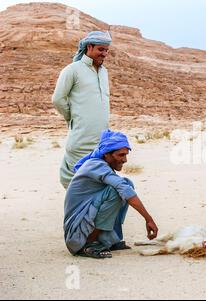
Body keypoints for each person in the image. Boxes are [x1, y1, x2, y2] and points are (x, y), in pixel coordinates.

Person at [64, 130, 158, 259]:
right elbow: (124, 190)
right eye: (120, 155)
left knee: (126, 183)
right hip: (76, 235)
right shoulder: (95, 165)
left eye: (126, 155)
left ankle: (106, 239)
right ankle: (90, 243)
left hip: (84, 224)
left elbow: (125, 187)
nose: (125, 160)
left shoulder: (101, 165)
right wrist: (149, 219)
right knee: (117, 191)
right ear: (106, 154)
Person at [52, 31, 113, 189]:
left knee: (99, 181)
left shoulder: (104, 72)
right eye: (101, 49)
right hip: (81, 138)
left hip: (101, 139)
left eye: (107, 50)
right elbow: (58, 99)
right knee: (78, 181)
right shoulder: (73, 70)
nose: (104, 54)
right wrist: (71, 117)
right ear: (89, 47)